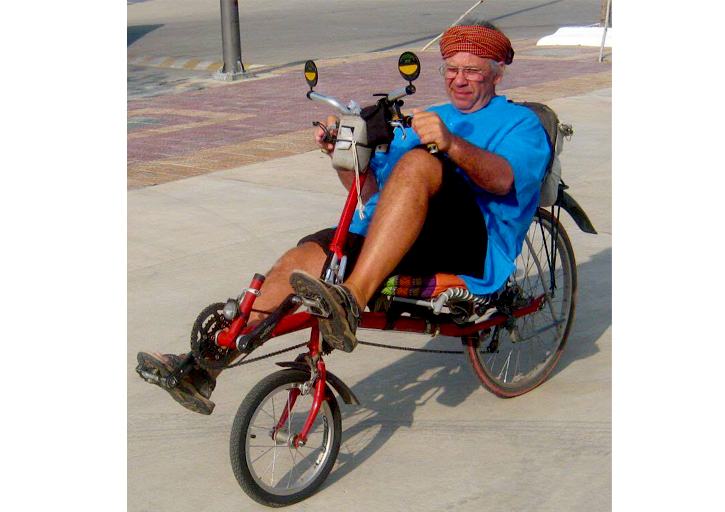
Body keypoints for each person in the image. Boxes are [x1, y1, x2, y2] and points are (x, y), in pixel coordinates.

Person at [136, 20, 551, 415]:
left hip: (469, 241)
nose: (459, 79)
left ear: (497, 72)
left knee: (421, 163)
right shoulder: (424, 116)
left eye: (472, 71)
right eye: (452, 70)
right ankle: (204, 366)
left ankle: (351, 300)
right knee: (301, 261)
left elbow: (503, 180)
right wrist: (342, 152)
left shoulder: (521, 124)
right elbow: (369, 192)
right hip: (399, 235)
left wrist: (450, 143)